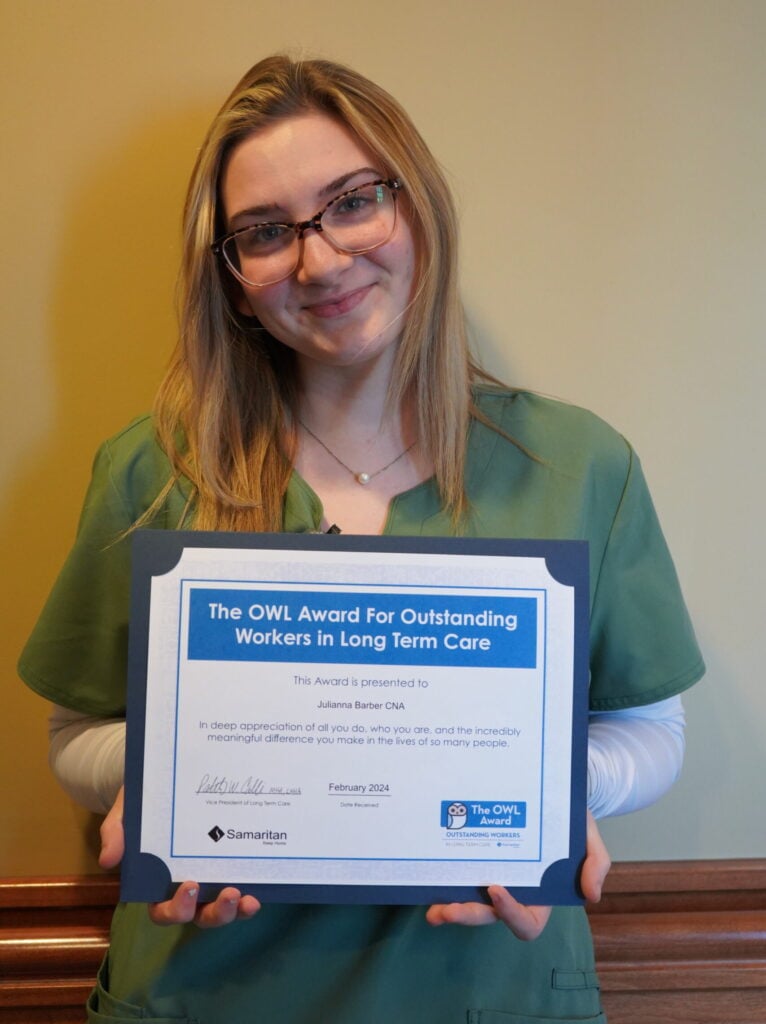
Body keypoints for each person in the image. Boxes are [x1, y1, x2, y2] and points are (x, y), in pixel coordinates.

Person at [19, 54, 704, 1022]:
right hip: (206, 987)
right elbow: (73, 731)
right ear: (231, 279)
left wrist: (537, 785)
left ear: (416, 203)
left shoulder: (579, 463)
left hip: (483, 990)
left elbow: (651, 730)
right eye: (264, 233)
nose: (320, 260)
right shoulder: (151, 470)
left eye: (352, 203)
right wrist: (158, 777)